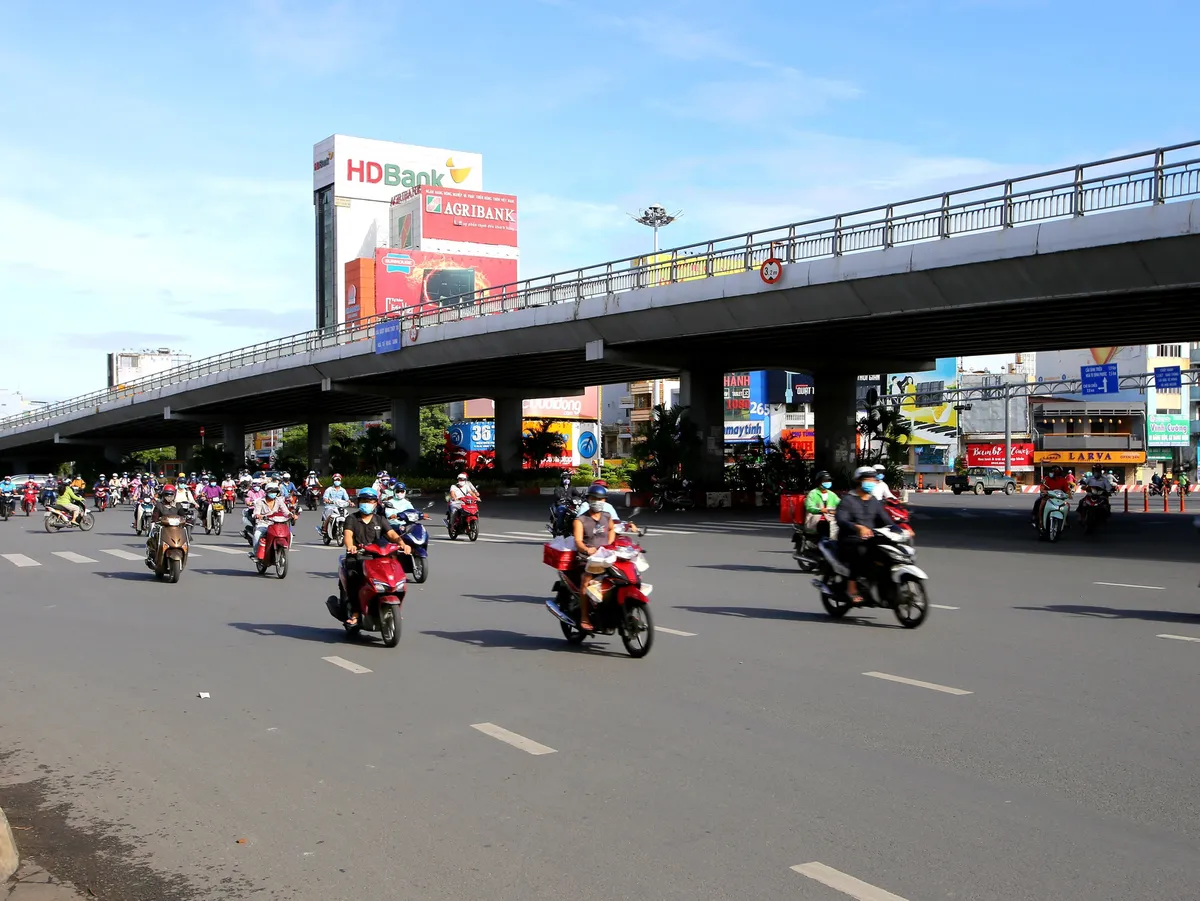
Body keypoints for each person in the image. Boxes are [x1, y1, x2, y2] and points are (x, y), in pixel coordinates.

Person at [341, 488, 409, 626]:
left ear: (375, 503)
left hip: (378, 557)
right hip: (358, 557)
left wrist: (402, 543)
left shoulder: (380, 519)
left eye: (370, 501)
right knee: (354, 578)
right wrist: (350, 546)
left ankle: (391, 608)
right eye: (364, 501)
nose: (367, 503)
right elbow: (348, 536)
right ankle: (355, 612)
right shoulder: (352, 519)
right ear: (359, 502)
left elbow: (392, 535)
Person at [834, 466, 894, 604]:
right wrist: (858, 527)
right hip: (850, 539)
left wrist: (900, 529)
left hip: (871, 539)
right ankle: (851, 588)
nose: (872, 482)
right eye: (868, 479)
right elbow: (841, 520)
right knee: (861, 552)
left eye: (873, 479)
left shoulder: (874, 501)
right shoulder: (848, 500)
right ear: (859, 481)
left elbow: (886, 520)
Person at [571, 485, 617, 632]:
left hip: (605, 556)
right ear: (589, 500)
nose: (598, 501)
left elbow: (612, 529)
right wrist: (587, 549)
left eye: (601, 499)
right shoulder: (580, 520)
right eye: (594, 499)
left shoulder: (606, 517)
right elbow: (578, 541)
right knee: (586, 580)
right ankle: (584, 617)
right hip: (587, 558)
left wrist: (610, 544)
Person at [247, 482, 293, 557]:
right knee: (257, 535)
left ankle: (285, 552)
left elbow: (286, 512)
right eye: (271, 492)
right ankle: (256, 554)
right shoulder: (260, 501)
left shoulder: (279, 501)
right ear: (267, 492)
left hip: (277, 523)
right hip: (263, 523)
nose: (273, 493)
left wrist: (291, 515)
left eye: (275, 492)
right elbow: (256, 513)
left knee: (290, 535)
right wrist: (258, 515)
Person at [804, 470, 840, 540]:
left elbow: (841, 504)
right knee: (824, 527)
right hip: (816, 520)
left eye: (828, 481)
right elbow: (809, 507)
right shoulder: (813, 493)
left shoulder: (832, 495)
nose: (827, 483)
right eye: (825, 481)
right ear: (819, 482)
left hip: (831, 520)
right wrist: (820, 510)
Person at [145, 483, 180, 551]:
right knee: (153, 536)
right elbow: (155, 517)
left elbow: (183, 515)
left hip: (176, 529)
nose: (169, 496)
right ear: (163, 495)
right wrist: (155, 522)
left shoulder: (178, 505)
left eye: (171, 494)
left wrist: (187, 517)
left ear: (174, 495)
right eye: (167, 494)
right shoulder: (159, 505)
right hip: (163, 528)